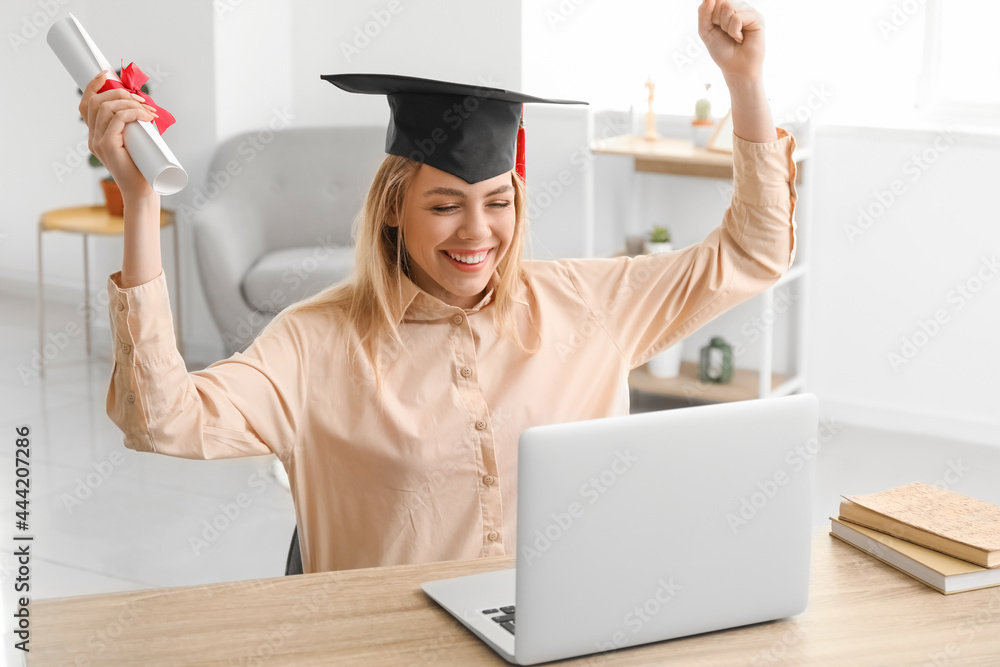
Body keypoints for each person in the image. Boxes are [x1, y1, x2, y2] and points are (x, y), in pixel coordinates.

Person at [78, 0, 796, 574]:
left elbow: (755, 252)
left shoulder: (588, 304)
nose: (477, 233)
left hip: (561, 626)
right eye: (445, 204)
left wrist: (745, 82)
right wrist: (141, 203)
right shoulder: (315, 341)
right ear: (394, 207)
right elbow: (160, 417)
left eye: (498, 201)